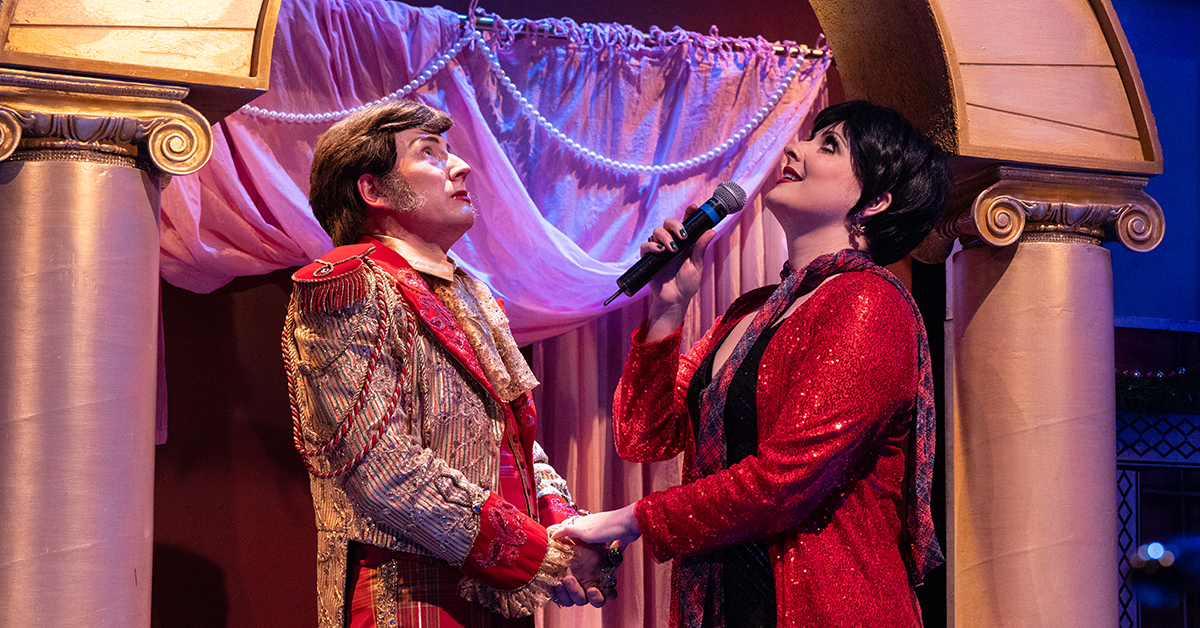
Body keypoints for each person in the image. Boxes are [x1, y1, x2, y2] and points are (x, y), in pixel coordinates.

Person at [551, 100, 953, 627]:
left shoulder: (870, 303)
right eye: (810, 137)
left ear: (876, 201)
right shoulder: (753, 311)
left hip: (829, 607)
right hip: (724, 605)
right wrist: (668, 309)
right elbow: (643, 436)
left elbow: (789, 478)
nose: (795, 148)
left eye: (828, 145)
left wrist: (630, 521)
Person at [283, 100, 617, 628]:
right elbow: (380, 466)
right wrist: (537, 553)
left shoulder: (472, 294)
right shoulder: (346, 286)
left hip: (495, 582)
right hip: (406, 583)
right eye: (430, 153)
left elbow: (514, 442)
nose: (460, 167)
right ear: (372, 190)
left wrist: (564, 525)